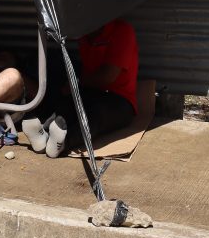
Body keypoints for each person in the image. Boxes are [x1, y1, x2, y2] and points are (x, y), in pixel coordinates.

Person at [22, 18, 138, 158]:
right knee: (68, 105)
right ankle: (43, 133)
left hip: (120, 100)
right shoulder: (85, 36)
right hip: (91, 91)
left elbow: (108, 76)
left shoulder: (122, 30)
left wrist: (77, 82)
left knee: (95, 113)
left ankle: (64, 142)